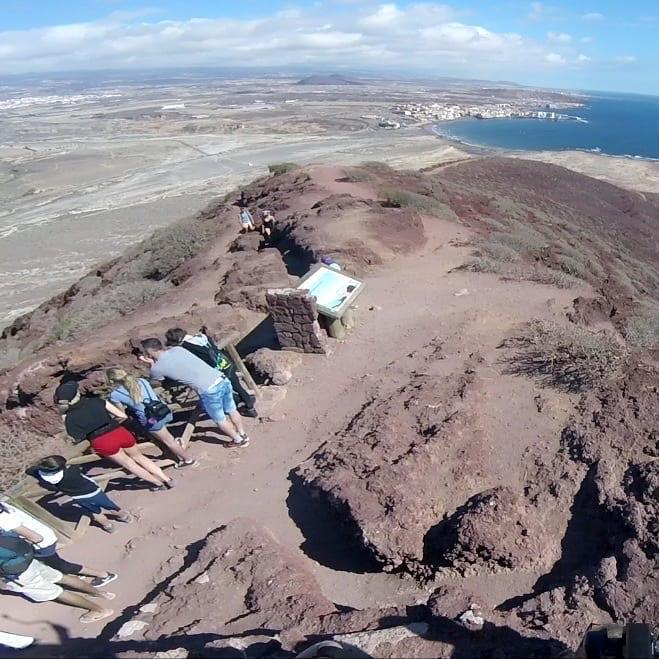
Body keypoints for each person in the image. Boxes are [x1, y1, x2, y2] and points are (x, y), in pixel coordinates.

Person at [54, 381, 173, 491]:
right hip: (119, 432)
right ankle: (167, 478)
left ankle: (157, 483)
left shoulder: (67, 417)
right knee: (139, 457)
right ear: (77, 394)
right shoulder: (97, 401)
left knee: (129, 464)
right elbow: (122, 416)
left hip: (101, 440)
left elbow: (76, 436)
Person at [139, 338, 250, 447]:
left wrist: (152, 365)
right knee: (231, 409)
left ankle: (238, 440)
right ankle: (242, 434)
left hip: (209, 389)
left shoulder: (157, 368)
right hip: (221, 379)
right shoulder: (178, 349)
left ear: (149, 351)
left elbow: (155, 383)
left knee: (219, 419)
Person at [0, 534, 114, 624]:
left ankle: (99, 610)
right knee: (61, 577)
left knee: (55, 592)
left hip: (15, 574)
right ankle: (101, 594)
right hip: (26, 558)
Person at [0, 501, 116, 587]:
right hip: (45, 533)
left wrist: (22, 547)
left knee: (60, 565)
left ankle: (103, 575)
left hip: (42, 544)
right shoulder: (3, 506)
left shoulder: (5, 521)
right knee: (53, 562)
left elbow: (36, 538)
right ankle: (77, 573)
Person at [105, 368, 197, 470]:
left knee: (168, 441)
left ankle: (188, 459)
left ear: (112, 381)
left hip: (152, 419)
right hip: (164, 411)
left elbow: (121, 414)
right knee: (165, 435)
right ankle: (178, 445)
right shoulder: (142, 381)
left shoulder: (115, 395)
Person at [164, 327, 257, 418]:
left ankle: (247, 404)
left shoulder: (186, 347)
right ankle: (248, 401)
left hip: (217, 371)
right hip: (226, 362)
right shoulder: (201, 336)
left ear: (178, 340)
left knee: (223, 391)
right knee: (237, 386)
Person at [25, 455, 132, 533]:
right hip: (93, 491)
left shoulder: (44, 477)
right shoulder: (72, 470)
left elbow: (30, 471)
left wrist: (37, 469)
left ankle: (108, 526)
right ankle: (124, 517)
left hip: (79, 497)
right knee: (110, 506)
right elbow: (75, 466)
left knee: (95, 513)